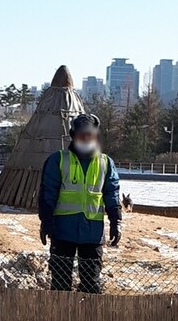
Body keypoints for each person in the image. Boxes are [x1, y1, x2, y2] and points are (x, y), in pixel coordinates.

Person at [38, 113, 122, 293]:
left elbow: (112, 193)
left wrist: (116, 221)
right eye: (81, 134)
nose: (85, 138)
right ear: (72, 135)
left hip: (92, 234)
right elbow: (47, 194)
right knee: (60, 286)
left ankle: (89, 320)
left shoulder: (105, 163)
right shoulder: (58, 160)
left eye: (89, 134)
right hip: (62, 231)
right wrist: (45, 222)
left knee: (91, 287)